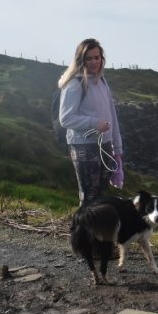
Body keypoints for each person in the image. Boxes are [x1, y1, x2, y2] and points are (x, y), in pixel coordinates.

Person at [58, 38, 124, 206]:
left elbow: (112, 116)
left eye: (97, 57)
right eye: (89, 58)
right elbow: (65, 118)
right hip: (84, 147)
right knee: (89, 197)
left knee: (101, 196)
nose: (94, 62)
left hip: (105, 145)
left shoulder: (102, 81)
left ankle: (96, 231)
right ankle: (82, 231)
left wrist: (118, 150)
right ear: (81, 60)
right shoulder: (75, 83)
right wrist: (94, 123)